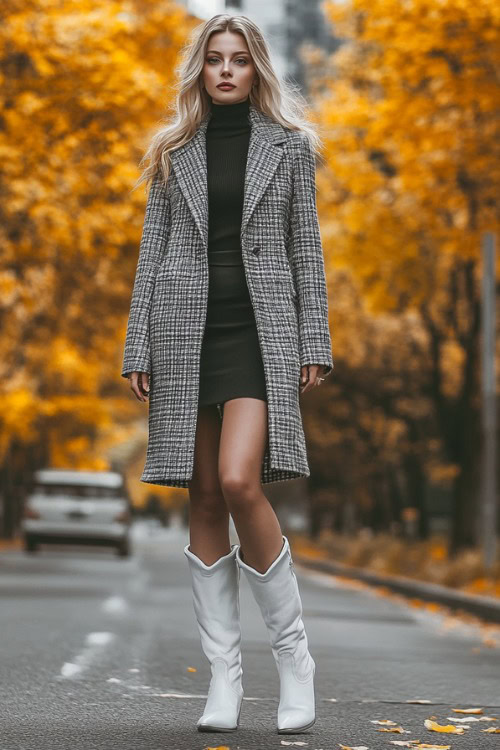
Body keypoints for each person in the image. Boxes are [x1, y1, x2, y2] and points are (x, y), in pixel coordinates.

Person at [121, 13, 334, 735]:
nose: (225, 71)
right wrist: (137, 346)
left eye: (239, 60)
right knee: (204, 493)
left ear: (257, 69)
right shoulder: (172, 150)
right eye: (214, 59)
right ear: (199, 69)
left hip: (259, 331)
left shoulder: (292, 150)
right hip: (184, 331)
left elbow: (307, 251)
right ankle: (224, 679)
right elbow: (151, 256)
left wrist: (315, 337)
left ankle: (294, 660)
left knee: (241, 479)